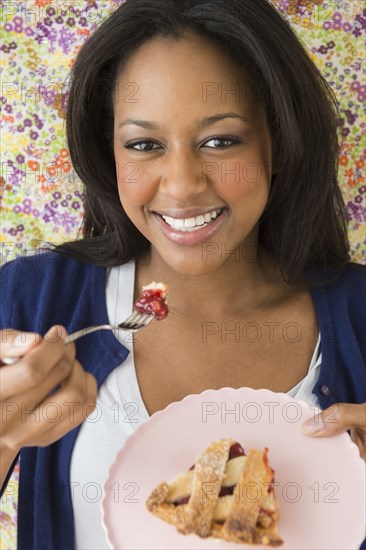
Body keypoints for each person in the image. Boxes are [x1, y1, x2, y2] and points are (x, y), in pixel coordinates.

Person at [0, 0, 365, 548]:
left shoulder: (359, 313)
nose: (181, 185)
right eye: (144, 145)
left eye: (220, 141)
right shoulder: (31, 301)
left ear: (279, 143)